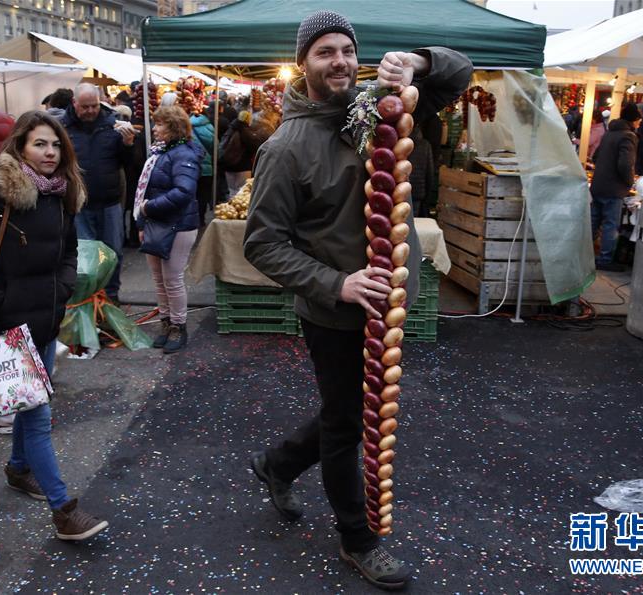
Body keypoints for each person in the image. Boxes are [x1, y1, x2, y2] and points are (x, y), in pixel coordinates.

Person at [243, 11, 472, 590]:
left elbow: (459, 73)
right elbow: (262, 243)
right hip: (336, 313)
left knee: (349, 413)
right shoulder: (285, 147)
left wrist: (418, 61)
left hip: (391, 304)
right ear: (304, 63)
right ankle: (358, 540)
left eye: (347, 49)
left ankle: (279, 463)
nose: (339, 61)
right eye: (324, 52)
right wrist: (334, 283)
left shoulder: (376, 107)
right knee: (350, 424)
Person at [0, 110, 108, 541]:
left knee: (30, 400)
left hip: (47, 319)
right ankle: (63, 510)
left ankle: (19, 469)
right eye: (40, 144)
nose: (49, 152)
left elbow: (70, 249)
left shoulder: (63, 193)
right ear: (20, 147)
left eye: (55, 144)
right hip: (8, 324)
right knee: (37, 415)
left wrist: (65, 287)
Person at [135, 106, 203, 353]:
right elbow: (145, 190)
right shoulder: (161, 152)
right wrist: (142, 221)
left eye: (160, 124)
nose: (154, 128)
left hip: (178, 225)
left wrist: (148, 209)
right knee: (159, 279)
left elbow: (184, 192)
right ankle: (166, 322)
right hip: (157, 223)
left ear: (173, 127)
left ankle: (178, 326)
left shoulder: (183, 154)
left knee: (172, 279)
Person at [60, 83, 134, 303]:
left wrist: (128, 145)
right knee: (86, 256)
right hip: (79, 204)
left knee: (113, 253)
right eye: (85, 107)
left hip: (110, 202)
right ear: (75, 103)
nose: (90, 110)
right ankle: (88, 300)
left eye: (94, 105)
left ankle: (111, 298)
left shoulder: (114, 125)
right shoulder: (63, 128)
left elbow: (128, 164)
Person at [589, 102, 642, 272]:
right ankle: (605, 259)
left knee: (593, 222)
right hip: (613, 188)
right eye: (638, 121)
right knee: (610, 224)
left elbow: (596, 157)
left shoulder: (609, 133)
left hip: (598, 185)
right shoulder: (628, 136)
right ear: (634, 120)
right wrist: (629, 182)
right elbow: (625, 164)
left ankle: (583, 254)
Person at [189, 110, 215, 224]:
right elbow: (215, 146)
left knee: (192, 193)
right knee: (204, 194)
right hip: (207, 166)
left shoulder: (187, 127)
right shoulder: (209, 127)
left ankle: (192, 217)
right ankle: (201, 218)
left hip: (191, 165)